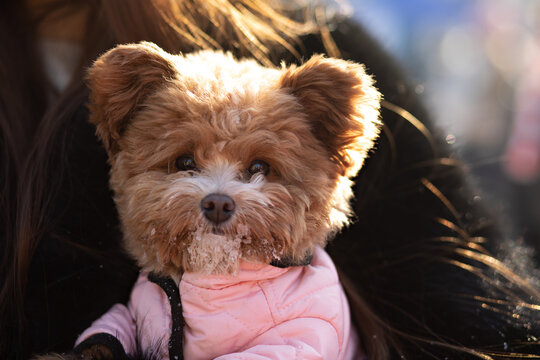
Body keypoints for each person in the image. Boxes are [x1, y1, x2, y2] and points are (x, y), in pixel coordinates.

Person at [0, 0, 538, 359]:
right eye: (185, 163)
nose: (216, 195)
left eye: (258, 170)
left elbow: (480, 313)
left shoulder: (311, 33)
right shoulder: (159, 288)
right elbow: (130, 324)